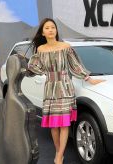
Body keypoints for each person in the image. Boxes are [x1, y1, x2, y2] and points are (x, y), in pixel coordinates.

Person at [27, 18, 105, 164]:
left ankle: (59, 156)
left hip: (65, 86)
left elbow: (75, 65)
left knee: (64, 124)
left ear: (56, 30)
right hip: (50, 88)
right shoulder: (40, 49)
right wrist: (29, 68)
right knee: (53, 125)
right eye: (47, 28)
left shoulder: (65, 47)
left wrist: (89, 79)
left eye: (53, 27)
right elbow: (35, 66)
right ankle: (59, 151)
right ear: (43, 33)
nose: (51, 30)